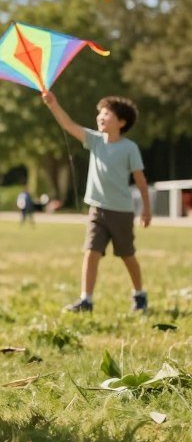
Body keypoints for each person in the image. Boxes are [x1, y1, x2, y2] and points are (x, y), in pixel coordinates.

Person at [42, 91, 151, 313]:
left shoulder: (129, 148)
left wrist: (146, 210)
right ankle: (86, 300)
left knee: (127, 255)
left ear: (121, 122)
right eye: (99, 113)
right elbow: (69, 125)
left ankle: (139, 294)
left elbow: (140, 181)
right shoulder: (94, 140)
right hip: (97, 210)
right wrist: (53, 104)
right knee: (91, 252)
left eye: (107, 114)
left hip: (121, 211)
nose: (100, 117)